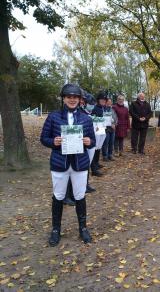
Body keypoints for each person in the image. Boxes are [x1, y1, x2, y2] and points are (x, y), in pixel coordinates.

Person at [40, 83, 95, 246]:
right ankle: (56, 229)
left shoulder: (86, 118)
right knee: (58, 196)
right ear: (63, 98)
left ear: (79, 99)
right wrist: (53, 142)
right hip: (59, 163)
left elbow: (92, 142)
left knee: (79, 195)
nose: (72, 100)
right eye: (69, 97)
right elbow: (44, 138)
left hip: (79, 164)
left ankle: (83, 228)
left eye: (75, 97)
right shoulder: (54, 116)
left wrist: (88, 141)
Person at [63, 91, 97, 206]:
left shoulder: (87, 112)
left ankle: (80, 188)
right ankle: (66, 195)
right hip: (70, 146)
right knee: (68, 168)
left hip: (84, 145)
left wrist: (89, 140)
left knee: (83, 167)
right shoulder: (78, 111)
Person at [90, 92, 108, 176]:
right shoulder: (94, 108)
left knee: (98, 148)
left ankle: (96, 163)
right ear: (98, 100)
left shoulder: (103, 108)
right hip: (96, 131)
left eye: (105, 100)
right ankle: (93, 168)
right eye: (102, 100)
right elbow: (92, 119)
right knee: (94, 148)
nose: (103, 101)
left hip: (102, 130)